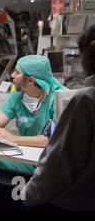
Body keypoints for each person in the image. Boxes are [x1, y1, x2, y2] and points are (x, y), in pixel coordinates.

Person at [22, 25, 95, 210]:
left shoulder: (84, 101)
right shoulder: (18, 96)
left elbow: (58, 167)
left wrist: (25, 195)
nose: (13, 76)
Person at [0, 54, 65, 173]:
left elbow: (51, 139)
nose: (12, 75)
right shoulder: (17, 95)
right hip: (27, 154)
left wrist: (13, 139)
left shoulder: (58, 99)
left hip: (52, 160)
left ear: (30, 80)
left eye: (17, 73)